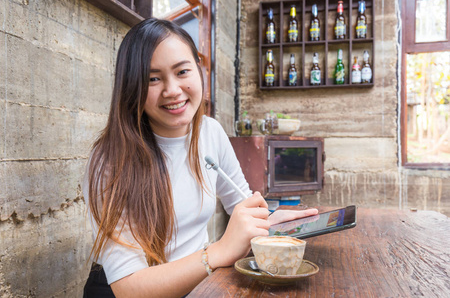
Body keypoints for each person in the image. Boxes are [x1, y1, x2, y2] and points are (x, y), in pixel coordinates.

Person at [82, 18, 318, 298]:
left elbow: (241, 203)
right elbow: (129, 287)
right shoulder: (109, 161)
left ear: (199, 71)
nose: (172, 90)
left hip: (198, 286)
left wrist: (268, 219)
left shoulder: (210, 131)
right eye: (153, 78)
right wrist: (217, 252)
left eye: (182, 71)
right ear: (132, 87)